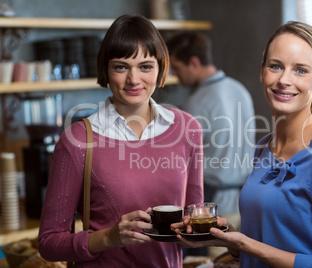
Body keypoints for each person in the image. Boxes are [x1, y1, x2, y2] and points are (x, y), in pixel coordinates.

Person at [173, 21, 312, 268]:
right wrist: (227, 237)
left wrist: (244, 244)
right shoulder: (263, 148)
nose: (284, 79)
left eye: (300, 70)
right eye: (276, 66)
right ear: (262, 72)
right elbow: (263, 244)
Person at [38, 15, 203, 267]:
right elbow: (49, 244)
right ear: (105, 70)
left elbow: (192, 222)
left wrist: (208, 230)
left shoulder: (188, 129)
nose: (134, 80)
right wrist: (108, 238)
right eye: (121, 67)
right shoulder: (78, 141)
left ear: (161, 68)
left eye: (145, 66)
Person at [166, 32, 256, 248]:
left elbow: (180, 162)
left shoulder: (197, 102)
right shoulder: (240, 89)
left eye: (177, 68)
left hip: (214, 211)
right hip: (247, 204)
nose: (176, 76)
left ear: (194, 63)